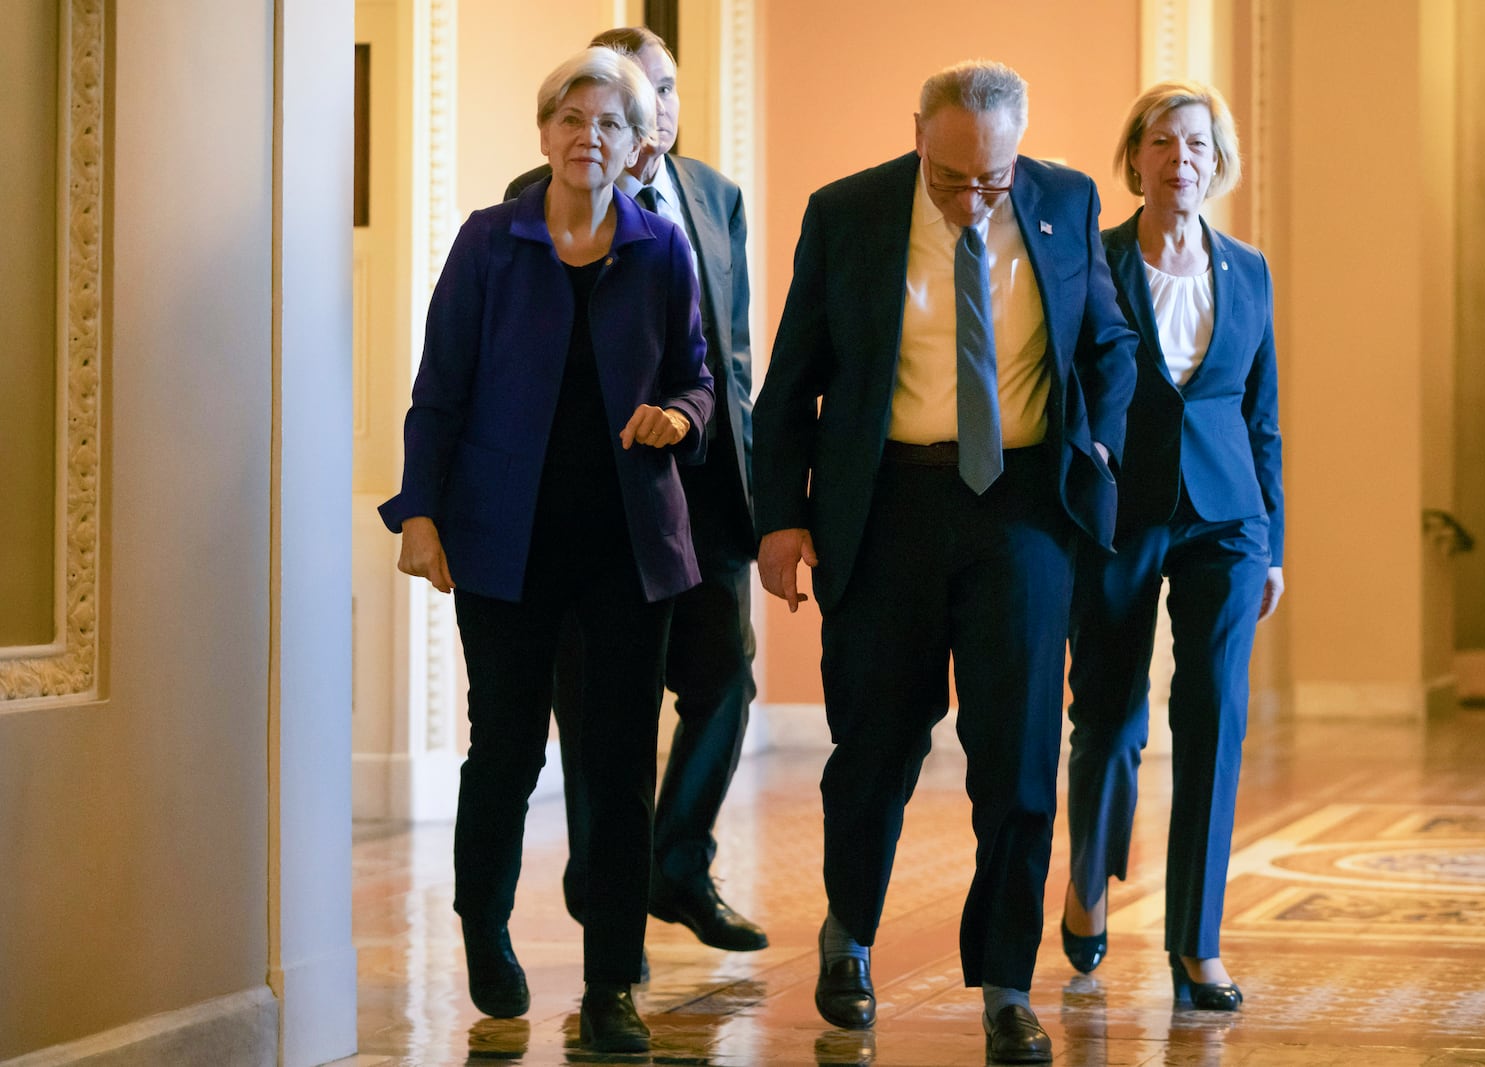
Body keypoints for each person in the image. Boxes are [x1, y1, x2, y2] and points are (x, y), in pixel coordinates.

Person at [753, 60, 1137, 1065]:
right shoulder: (849, 214)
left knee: (1016, 758)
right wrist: (779, 519)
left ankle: (1006, 983)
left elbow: (1109, 342)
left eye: (993, 179)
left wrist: (1095, 443)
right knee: (875, 746)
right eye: (954, 177)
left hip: (1022, 505)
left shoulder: (1063, 200)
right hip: (888, 502)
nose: (975, 199)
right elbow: (793, 378)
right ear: (918, 135)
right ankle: (851, 930)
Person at [377, 46, 713, 1054]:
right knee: (508, 747)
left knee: (615, 762)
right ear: (544, 134)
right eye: (571, 117)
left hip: (627, 545)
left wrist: (678, 421)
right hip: (503, 541)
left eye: (609, 122)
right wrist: (419, 512)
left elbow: (697, 378)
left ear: (638, 145)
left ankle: (611, 979)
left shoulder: (660, 252)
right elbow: (438, 390)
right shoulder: (489, 244)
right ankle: (484, 921)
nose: (587, 136)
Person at [504, 27, 765, 956]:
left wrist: (762, 484)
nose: (652, 111)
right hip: (605, 493)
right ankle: (602, 885)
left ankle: (676, 861)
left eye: (666, 90)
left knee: (726, 677)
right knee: (599, 706)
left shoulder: (716, 196)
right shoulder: (536, 203)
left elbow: (730, 354)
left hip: (708, 487)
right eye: (633, 94)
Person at [1057, 80, 1284, 1013]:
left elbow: (1264, 415)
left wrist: (1271, 539)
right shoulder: (1093, 261)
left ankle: (1197, 944)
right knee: (1109, 715)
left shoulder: (1251, 270)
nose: (1179, 159)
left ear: (1216, 163)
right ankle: (1087, 879)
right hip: (1120, 512)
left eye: (1196, 144)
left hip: (1227, 519)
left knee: (1214, 714)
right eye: (1162, 141)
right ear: (1136, 157)